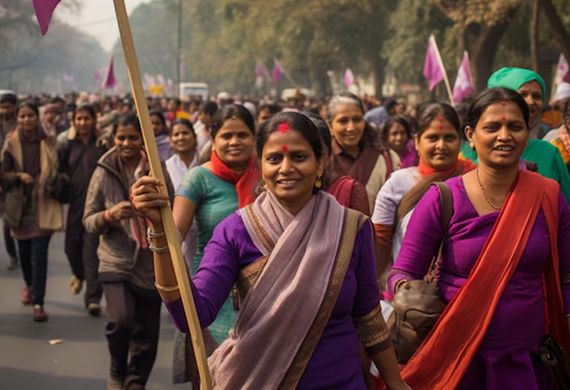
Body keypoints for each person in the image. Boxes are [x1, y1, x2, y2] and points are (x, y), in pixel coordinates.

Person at [131, 111, 410, 389]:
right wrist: (159, 231)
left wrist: (395, 382)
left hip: (339, 381)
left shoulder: (350, 227)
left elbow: (368, 315)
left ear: (321, 162)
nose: (286, 168)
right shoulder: (236, 231)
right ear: (260, 165)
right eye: (275, 158)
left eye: (298, 157)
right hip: (258, 379)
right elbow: (191, 315)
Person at [388, 88, 570, 389]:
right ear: (470, 135)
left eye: (515, 126)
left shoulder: (547, 196)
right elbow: (402, 271)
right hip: (456, 358)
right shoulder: (443, 198)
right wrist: (411, 296)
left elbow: (566, 277)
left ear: (527, 133)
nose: (504, 135)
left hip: (528, 360)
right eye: (492, 127)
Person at [83, 114, 171, 389]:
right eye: (121, 138)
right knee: (120, 321)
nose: (126, 143)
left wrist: (153, 209)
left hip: (150, 260)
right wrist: (110, 215)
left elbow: (171, 207)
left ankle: (135, 383)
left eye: (133, 137)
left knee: (147, 336)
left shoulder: (155, 169)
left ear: (142, 140)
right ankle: (117, 370)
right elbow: (89, 220)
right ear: (113, 139)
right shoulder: (103, 169)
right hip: (115, 259)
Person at [372, 104, 476, 293]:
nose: (441, 146)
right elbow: (380, 243)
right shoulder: (398, 183)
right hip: (411, 294)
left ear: (460, 142)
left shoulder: (474, 178)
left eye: (449, 138)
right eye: (433, 138)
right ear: (417, 142)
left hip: (465, 290)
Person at [462, 67, 570, 203]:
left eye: (536, 96)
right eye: (523, 94)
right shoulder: (463, 158)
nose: (504, 137)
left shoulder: (549, 152)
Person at [1, 101, 63, 321]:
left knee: (40, 256)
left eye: (30, 116)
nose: (26, 120)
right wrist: (18, 177)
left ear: (37, 117)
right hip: (19, 206)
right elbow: (3, 174)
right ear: (18, 119)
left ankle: (39, 302)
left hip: (43, 205)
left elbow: (58, 168)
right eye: (22, 116)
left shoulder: (48, 141)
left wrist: (47, 180)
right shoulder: (10, 143)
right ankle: (28, 283)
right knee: (25, 255)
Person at [57, 104, 106, 315]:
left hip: (96, 205)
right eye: (79, 119)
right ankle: (79, 274)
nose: (83, 123)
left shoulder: (102, 144)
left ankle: (93, 298)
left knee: (91, 252)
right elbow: (59, 170)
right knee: (71, 247)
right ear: (73, 121)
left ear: (94, 120)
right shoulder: (66, 145)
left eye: (87, 119)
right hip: (75, 203)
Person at [326, 93, 400, 213]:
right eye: (343, 121)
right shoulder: (321, 160)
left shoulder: (387, 158)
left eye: (357, 120)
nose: (351, 127)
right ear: (330, 126)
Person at [164, 118, 199, 266]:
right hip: (178, 235)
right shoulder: (165, 168)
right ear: (171, 140)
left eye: (185, 133)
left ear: (194, 137)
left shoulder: (206, 162)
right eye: (176, 134)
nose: (181, 137)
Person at [0, 91, 19, 271]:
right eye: (2, 106)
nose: (5, 110)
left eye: (8, 107)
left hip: (13, 179)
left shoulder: (21, 125)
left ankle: (14, 255)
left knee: (9, 221)